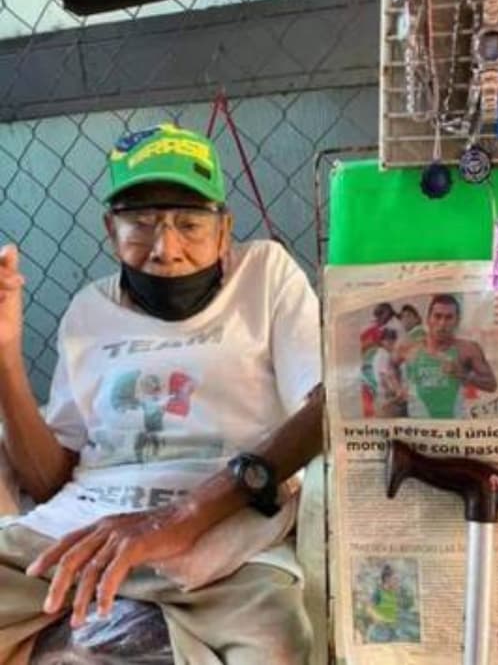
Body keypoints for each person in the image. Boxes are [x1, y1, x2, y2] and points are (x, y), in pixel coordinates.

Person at [0, 123, 326, 664]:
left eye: (189, 223)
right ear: (111, 230)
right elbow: (48, 479)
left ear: (225, 230)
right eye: (142, 223)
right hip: (76, 537)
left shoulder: (265, 276)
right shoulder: (87, 311)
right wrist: (6, 354)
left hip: (221, 543)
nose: (165, 249)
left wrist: (172, 522)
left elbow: (321, 412)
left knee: (280, 647)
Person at [393, 295, 497, 419]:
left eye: (449, 318)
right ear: (428, 319)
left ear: (457, 321)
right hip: (419, 431)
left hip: (453, 431)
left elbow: (491, 385)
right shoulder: (408, 347)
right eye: (437, 316)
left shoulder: (468, 349)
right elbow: (389, 366)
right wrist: (397, 388)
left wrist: (463, 375)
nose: (442, 323)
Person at [372, 328, 407, 418]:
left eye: (393, 339)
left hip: (390, 396)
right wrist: (397, 393)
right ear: (382, 341)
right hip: (388, 396)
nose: (391, 342)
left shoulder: (386, 354)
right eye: (388, 339)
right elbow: (385, 377)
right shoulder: (384, 355)